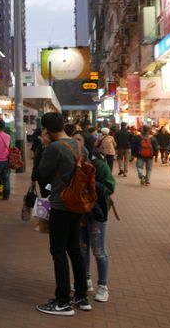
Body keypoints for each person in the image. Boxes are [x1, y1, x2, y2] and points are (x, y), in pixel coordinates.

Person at [36, 112, 91, 316]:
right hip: (79, 203)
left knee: (58, 251)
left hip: (61, 204)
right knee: (74, 248)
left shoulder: (54, 148)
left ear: (47, 130)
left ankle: (62, 301)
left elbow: (42, 171)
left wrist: (44, 146)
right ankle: (82, 296)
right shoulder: (79, 145)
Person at [80, 151, 115, 303]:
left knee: (99, 250)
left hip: (97, 212)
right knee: (82, 248)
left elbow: (109, 186)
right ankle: (86, 279)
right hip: (80, 211)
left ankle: (102, 286)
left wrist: (90, 184)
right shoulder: (73, 164)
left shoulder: (99, 164)